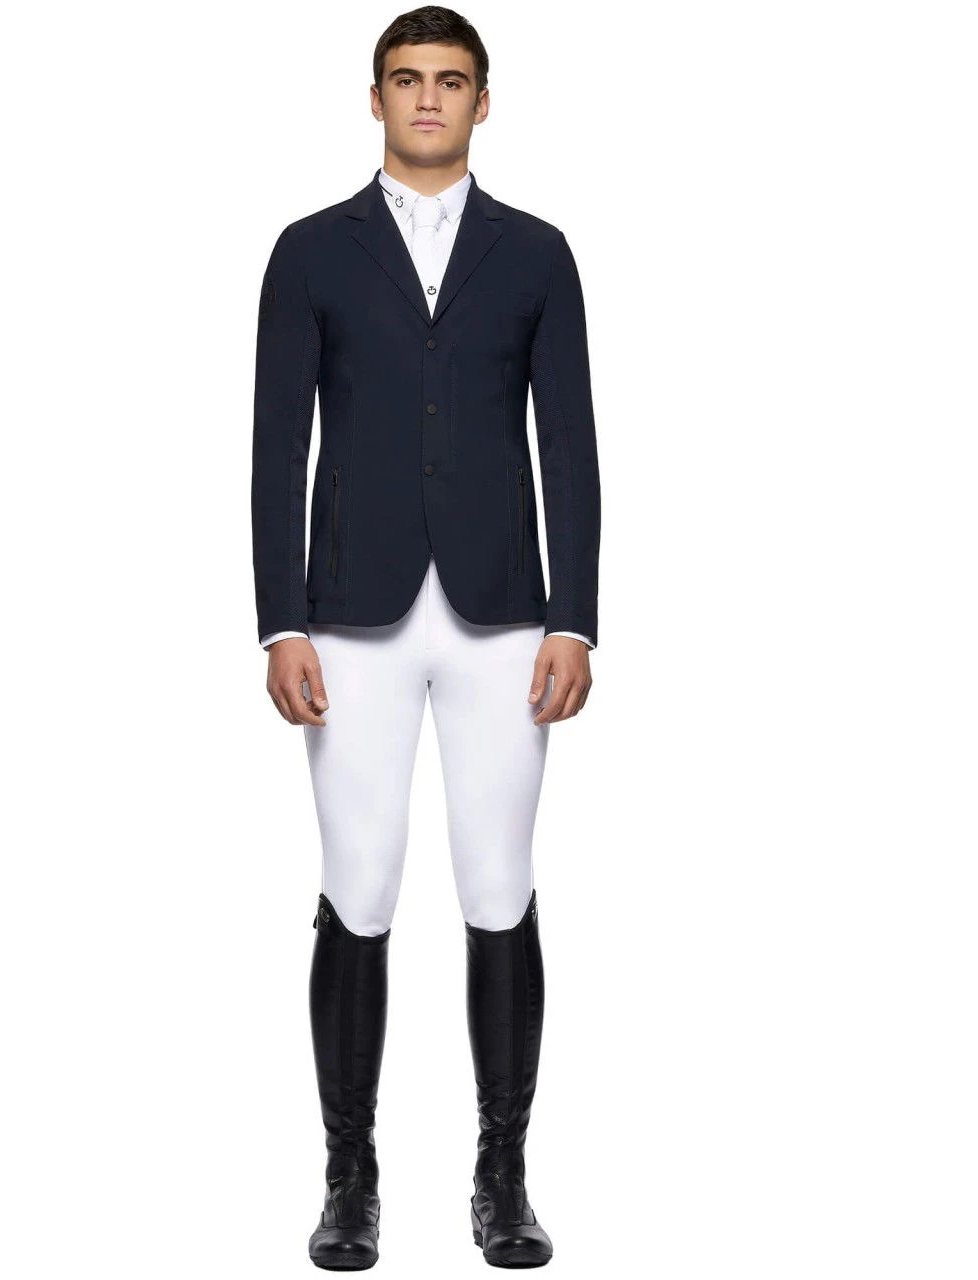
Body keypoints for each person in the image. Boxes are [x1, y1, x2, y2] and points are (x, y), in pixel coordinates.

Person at [250, 6, 601, 1269]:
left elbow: (568, 440)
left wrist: (576, 615)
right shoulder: (309, 251)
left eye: (451, 81)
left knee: (498, 886)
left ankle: (501, 1175)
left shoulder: (537, 252)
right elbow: (274, 442)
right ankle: (349, 1178)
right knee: (358, 886)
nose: (429, 99)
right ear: (375, 98)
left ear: (482, 101)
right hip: (350, 617)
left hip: (505, 616)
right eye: (407, 79)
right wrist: (278, 618)